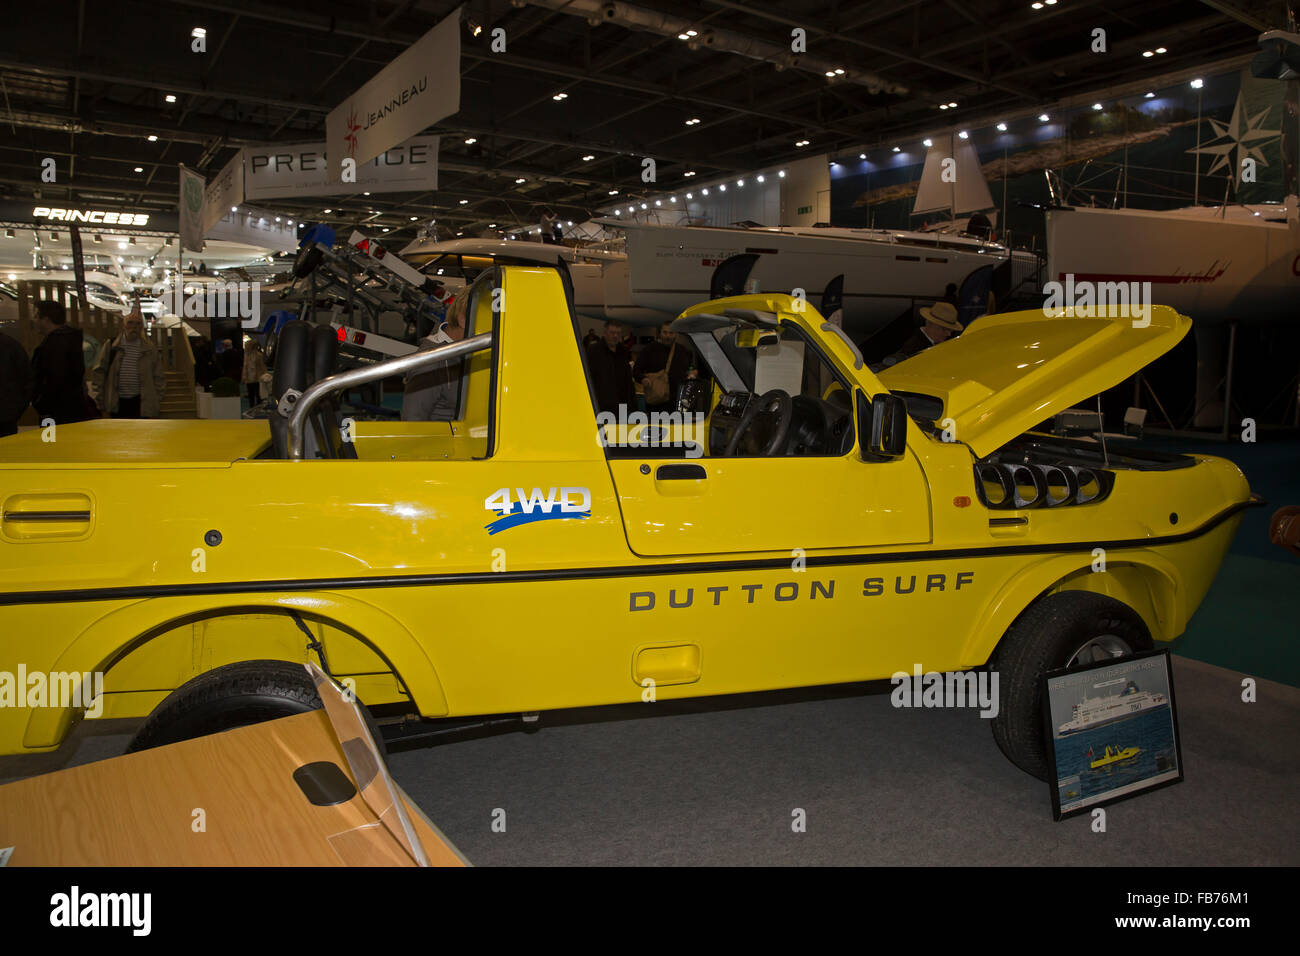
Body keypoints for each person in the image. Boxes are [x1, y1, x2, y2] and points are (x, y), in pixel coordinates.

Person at [90, 308, 166, 419]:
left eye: (138, 324)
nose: (134, 327)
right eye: (130, 323)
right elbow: (99, 371)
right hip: (117, 402)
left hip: (140, 402)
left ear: (141, 327)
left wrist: (156, 398)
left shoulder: (149, 349)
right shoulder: (112, 345)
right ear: (124, 325)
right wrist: (99, 397)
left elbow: (159, 375)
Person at [401, 299, 467, 421]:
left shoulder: (465, 350)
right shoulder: (430, 362)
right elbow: (412, 422)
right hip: (448, 438)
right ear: (462, 320)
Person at [30, 299, 89, 424]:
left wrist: (41, 403)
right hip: (68, 410)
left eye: (36, 316)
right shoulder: (70, 339)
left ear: (46, 319)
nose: (34, 321)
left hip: (55, 413)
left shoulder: (55, 345)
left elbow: (54, 379)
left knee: (51, 442)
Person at [877, 301, 963, 369]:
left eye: (950, 330)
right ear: (930, 324)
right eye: (945, 329)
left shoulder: (926, 342)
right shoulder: (913, 348)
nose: (948, 334)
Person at [633, 324, 691, 413]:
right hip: (656, 403)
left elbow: (688, 370)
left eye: (671, 333)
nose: (668, 336)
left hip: (677, 403)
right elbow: (636, 370)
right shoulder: (650, 349)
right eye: (665, 332)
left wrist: (692, 373)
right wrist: (643, 379)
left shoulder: (682, 351)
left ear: (676, 334)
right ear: (660, 333)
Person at [584, 320, 635, 416]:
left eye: (618, 333)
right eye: (612, 333)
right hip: (601, 405)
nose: (615, 336)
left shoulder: (623, 351)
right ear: (604, 333)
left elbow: (628, 379)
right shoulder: (593, 351)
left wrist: (632, 404)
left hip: (622, 404)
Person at [0, 329, 33, 436]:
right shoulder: (13, 346)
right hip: (7, 418)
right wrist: (15, 412)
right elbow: (27, 382)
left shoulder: (11, 346)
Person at [242, 339, 267, 406]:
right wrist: (244, 377)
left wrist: (264, 375)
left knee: (258, 395)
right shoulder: (246, 356)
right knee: (251, 395)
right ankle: (251, 408)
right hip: (249, 379)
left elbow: (262, 366)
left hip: (258, 378)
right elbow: (245, 367)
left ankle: (259, 408)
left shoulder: (259, 355)